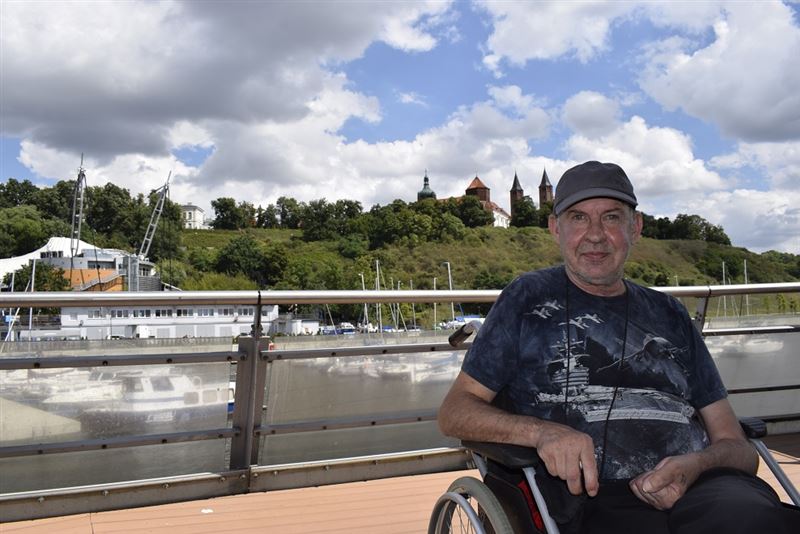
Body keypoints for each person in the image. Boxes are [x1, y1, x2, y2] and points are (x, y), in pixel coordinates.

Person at [438, 161, 799, 533]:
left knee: (756, 519)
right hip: (594, 498)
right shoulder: (526, 298)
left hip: (706, 487)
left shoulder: (670, 313)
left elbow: (737, 448)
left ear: (635, 227)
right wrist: (542, 433)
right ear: (555, 228)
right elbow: (454, 412)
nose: (595, 235)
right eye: (578, 218)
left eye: (611, 217)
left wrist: (696, 466)